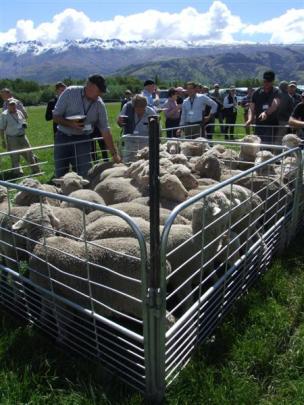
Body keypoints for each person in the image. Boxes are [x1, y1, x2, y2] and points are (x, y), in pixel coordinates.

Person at [52, 74, 121, 178]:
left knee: (85, 173)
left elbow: (105, 130)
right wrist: (70, 123)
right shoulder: (70, 92)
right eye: (99, 91)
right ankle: (61, 192)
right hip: (63, 138)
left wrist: (114, 154)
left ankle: (83, 193)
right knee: (61, 172)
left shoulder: (99, 104)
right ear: (90, 86)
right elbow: (56, 116)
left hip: (83, 139)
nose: (100, 95)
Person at [0, 99, 39, 176]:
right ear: (7, 106)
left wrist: (24, 124)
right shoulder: (4, 115)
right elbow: (1, 129)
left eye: (14, 104)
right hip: (12, 138)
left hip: (23, 136)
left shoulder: (19, 112)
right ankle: (18, 173)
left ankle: (36, 170)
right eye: (11, 105)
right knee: (15, 156)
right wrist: (3, 140)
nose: (13, 106)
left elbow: (23, 121)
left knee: (29, 153)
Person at [117, 94, 156, 162]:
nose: (139, 110)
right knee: (128, 163)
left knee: (145, 165)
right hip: (130, 143)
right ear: (133, 106)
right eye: (137, 108)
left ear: (145, 106)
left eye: (142, 108)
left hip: (145, 145)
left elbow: (157, 130)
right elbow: (120, 123)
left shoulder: (151, 112)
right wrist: (119, 122)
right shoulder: (127, 107)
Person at [246, 70, 280, 144]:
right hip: (259, 125)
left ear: (272, 81)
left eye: (269, 81)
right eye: (265, 81)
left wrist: (266, 113)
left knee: (268, 147)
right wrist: (250, 119)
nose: (266, 83)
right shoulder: (256, 93)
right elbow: (251, 108)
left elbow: (275, 105)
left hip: (272, 125)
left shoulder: (276, 92)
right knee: (258, 146)